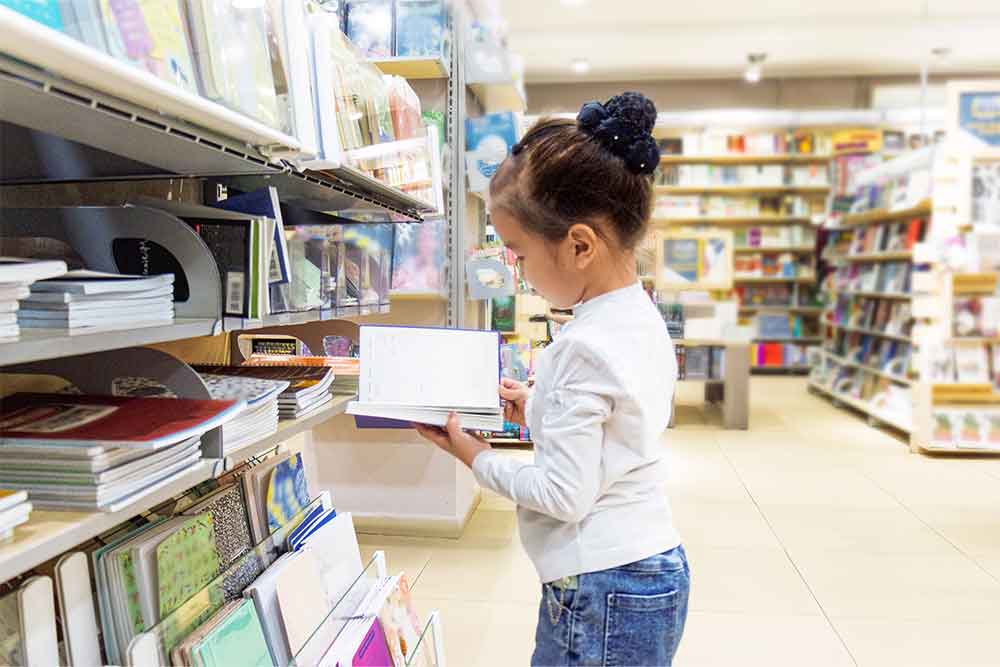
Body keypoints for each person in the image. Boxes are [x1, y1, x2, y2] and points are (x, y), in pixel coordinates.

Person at [414, 91, 688, 667]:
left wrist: (474, 456)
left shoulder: (583, 344)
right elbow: (620, 423)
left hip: (599, 585)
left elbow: (564, 497)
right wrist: (536, 405)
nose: (514, 266)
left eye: (516, 251)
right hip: (649, 563)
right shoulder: (636, 315)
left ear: (579, 245)